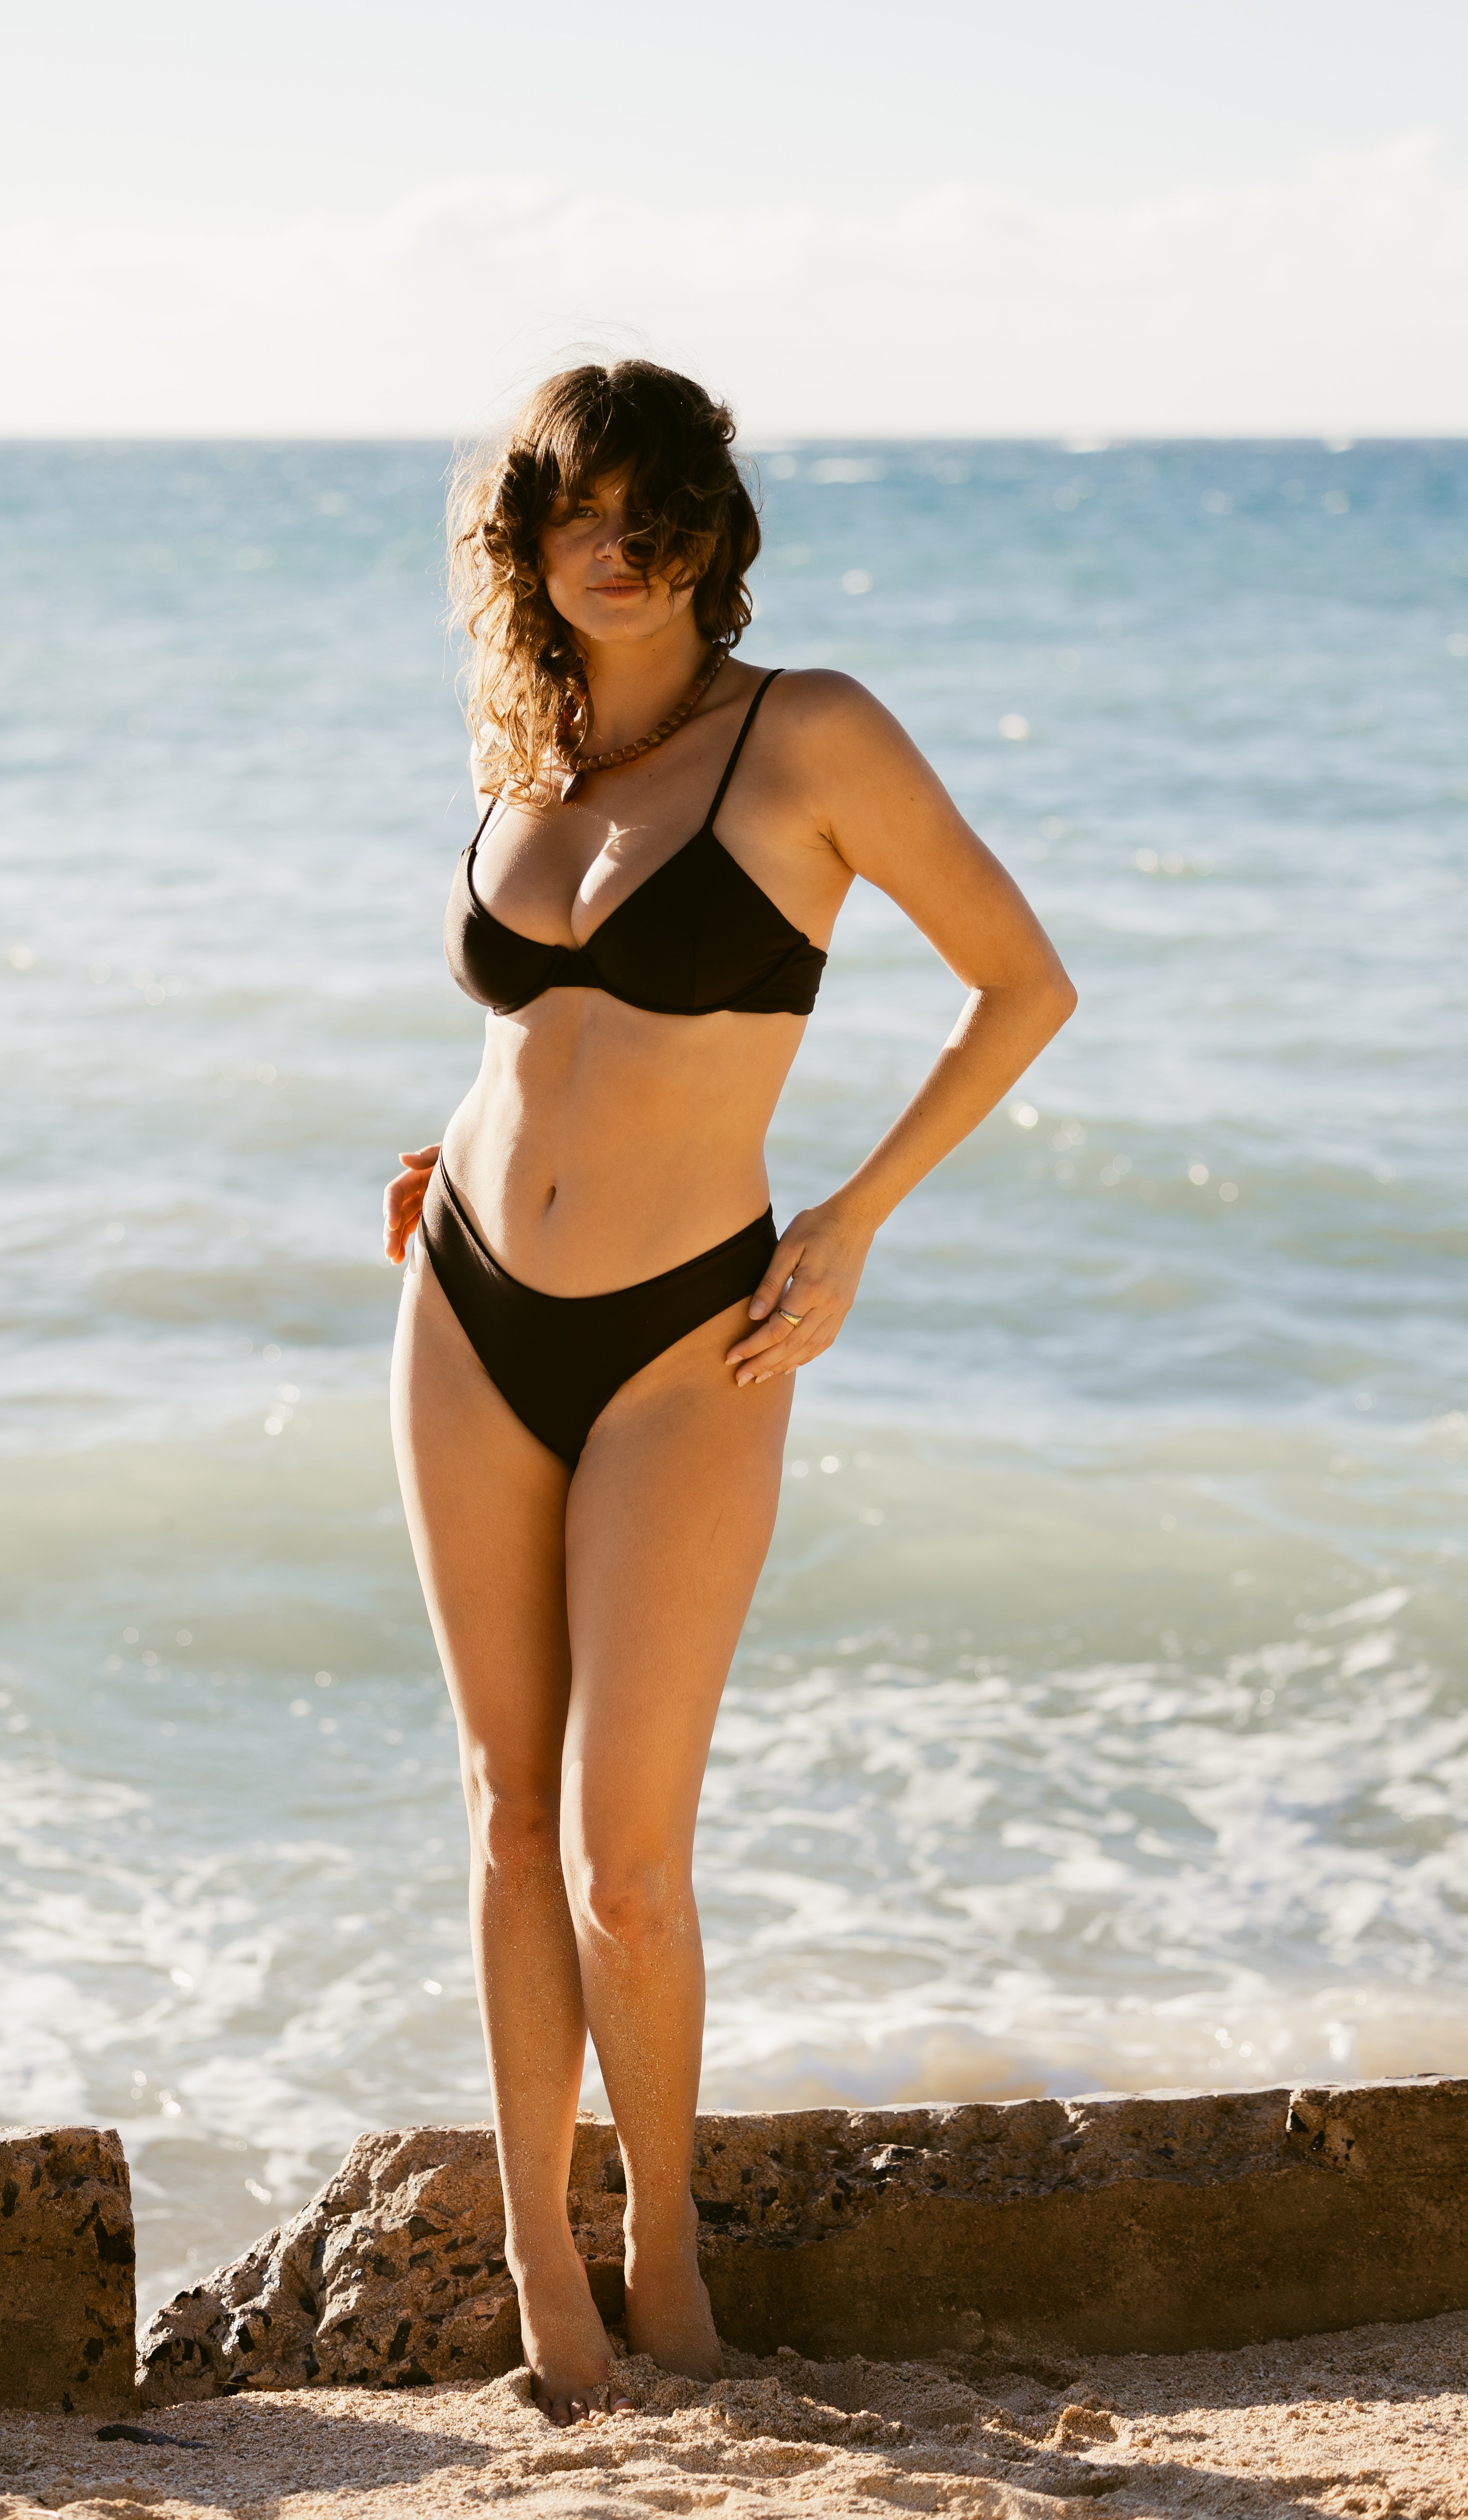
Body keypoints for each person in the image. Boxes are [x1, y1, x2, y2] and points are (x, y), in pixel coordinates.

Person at [384, 361, 1074, 2423]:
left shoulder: (813, 732)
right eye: (572, 510)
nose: (618, 542)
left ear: (706, 522)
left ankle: (660, 2245)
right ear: (521, 539)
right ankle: (538, 2273)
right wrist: (447, 1152)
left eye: (652, 504)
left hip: (700, 1321)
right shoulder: (525, 745)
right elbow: (545, 1033)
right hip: (463, 1295)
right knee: (503, 1813)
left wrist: (849, 1222)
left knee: (628, 1852)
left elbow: (1019, 981)